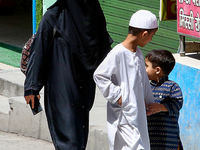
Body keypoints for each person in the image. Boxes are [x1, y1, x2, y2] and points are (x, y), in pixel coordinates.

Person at [24, 0, 113, 149]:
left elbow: (104, 48)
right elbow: (39, 52)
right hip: (60, 84)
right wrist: (32, 87)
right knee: (69, 139)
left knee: (79, 134)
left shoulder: (94, 16)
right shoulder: (53, 18)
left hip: (85, 85)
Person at [93, 10, 158, 150]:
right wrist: (118, 96)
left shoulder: (138, 53)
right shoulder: (118, 52)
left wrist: (149, 101)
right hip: (124, 114)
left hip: (137, 111)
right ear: (144, 34)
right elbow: (99, 75)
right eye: (152, 36)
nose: (151, 40)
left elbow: (144, 81)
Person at [145, 49, 184, 150]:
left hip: (168, 139)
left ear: (157, 70)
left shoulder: (172, 87)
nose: (143, 69)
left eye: (146, 66)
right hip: (149, 138)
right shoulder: (146, 87)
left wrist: (161, 107)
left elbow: (177, 103)